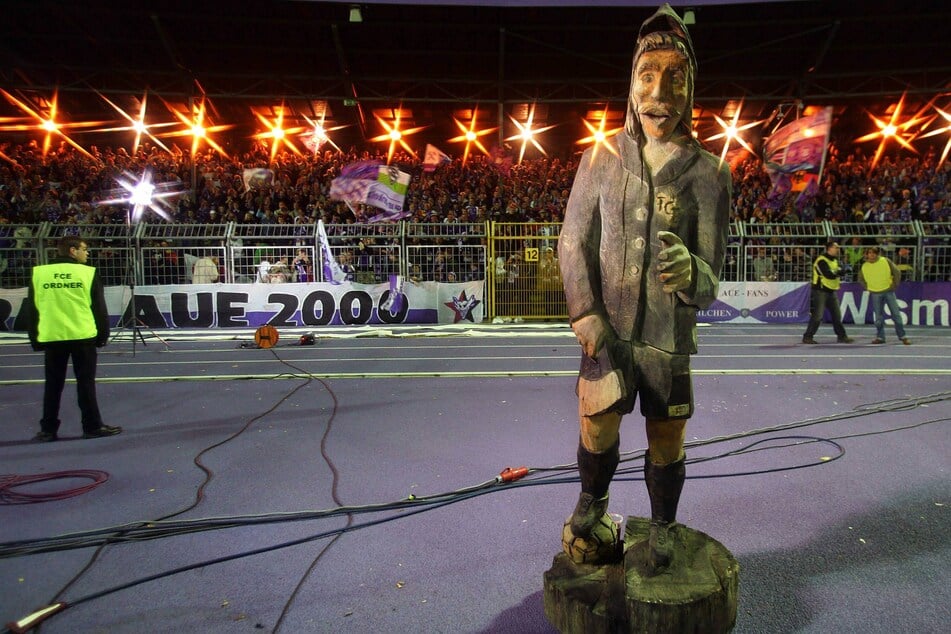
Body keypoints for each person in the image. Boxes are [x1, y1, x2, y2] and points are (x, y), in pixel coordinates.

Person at [558, 4, 731, 570]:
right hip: (607, 332)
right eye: (648, 74)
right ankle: (592, 504)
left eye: (675, 76)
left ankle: (661, 527)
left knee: (667, 434)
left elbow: (711, 277)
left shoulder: (710, 174)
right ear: (630, 84)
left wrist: (693, 276)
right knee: (598, 422)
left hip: (667, 338)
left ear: (690, 87)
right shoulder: (600, 157)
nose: (660, 90)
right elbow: (571, 242)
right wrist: (585, 315)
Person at [22, 236, 122, 441]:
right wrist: (103, 335)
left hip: (53, 335)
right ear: (72, 250)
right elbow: (98, 308)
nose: (87, 253)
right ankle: (92, 426)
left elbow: (32, 309)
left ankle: (48, 430)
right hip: (82, 335)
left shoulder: (40, 273)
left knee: (52, 385)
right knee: (85, 384)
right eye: (84, 249)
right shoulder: (88, 273)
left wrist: (35, 338)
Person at [802, 240, 854, 344]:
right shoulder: (821, 260)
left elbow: (835, 272)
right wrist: (842, 271)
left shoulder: (834, 260)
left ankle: (842, 336)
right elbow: (828, 274)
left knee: (837, 316)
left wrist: (841, 271)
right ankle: (808, 336)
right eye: (836, 247)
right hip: (820, 291)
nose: (838, 250)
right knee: (818, 316)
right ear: (829, 248)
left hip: (831, 291)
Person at [858, 246, 910, 345]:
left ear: (877, 254)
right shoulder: (864, 266)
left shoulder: (885, 261)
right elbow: (860, 278)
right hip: (875, 293)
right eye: (869, 253)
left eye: (874, 253)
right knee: (878, 317)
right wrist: (868, 287)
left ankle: (902, 336)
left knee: (896, 315)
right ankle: (880, 337)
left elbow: (897, 272)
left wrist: (894, 285)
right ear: (866, 254)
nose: (871, 255)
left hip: (888, 291)